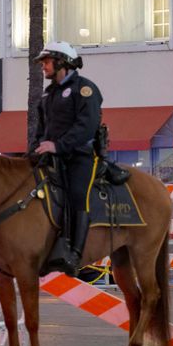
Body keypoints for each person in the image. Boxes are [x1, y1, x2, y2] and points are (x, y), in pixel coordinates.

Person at [31, 40, 103, 276]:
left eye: (47, 62)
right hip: (52, 158)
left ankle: (74, 253)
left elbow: (87, 126)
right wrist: (34, 149)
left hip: (79, 157)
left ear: (62, 62)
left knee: (77, 196)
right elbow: (41, 129)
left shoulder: (85, 89)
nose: (43, 67)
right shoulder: (48, 95)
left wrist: (58, 146)